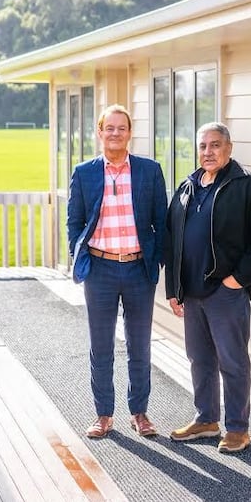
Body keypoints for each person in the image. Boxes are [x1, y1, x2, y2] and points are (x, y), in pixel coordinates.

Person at [165, 122, 251, 453]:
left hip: (225, 293)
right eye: (202, 146)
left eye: (214, 145)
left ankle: (238, 428)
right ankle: (207, 419)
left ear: (229, 148)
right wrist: (174, 287)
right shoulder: (186, 188)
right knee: (199, 359)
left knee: (233, 361)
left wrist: (238, 278)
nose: (208, 152)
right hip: (192, 294)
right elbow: (173, 241)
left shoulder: (248, 187)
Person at [68, 104, 167, 439]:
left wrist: (158, 262)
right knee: (101, 346)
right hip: (100, 270)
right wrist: (78, 256)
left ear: (129, 132)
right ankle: (103, 414)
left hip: (138, 269)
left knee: (140, 345)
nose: (115, 133)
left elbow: (161, 222)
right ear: (100, 132)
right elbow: (74, 222)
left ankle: (140, 413)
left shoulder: (149, 170)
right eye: (109, 128)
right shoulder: (84, 172)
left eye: (121, 128)